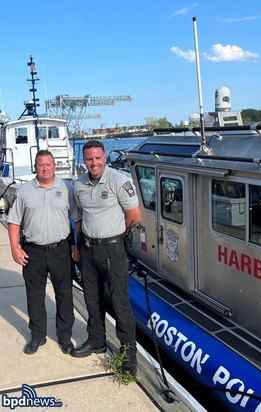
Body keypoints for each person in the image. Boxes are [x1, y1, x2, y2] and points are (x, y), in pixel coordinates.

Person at [71, 140, 141, 376]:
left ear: (105, 158)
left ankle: (128, 356)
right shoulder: (78, 184)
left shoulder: (119, 181)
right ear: (84, 160)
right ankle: (96, 340)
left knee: (120, 303)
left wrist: (117, 240)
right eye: (89, 159)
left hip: (112, 249)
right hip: (88, 249)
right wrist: (78, 246)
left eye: (97, 158)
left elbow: (133, 216)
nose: (94, 163)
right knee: (92, 298)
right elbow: (79, 216)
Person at [7, 150, 75, 355]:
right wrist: (14, 248)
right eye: (40, 164)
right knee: (35, 296)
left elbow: (77, 218)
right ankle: (37, 336)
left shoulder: (66, 188)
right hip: (33, 252)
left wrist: (76, 246)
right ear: (35, 167)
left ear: (54, 166)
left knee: (64, 295)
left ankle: (64, 337)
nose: (45, 168)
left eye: (48, 164)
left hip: (60, 250)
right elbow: (13, 221)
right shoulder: (24, 191)